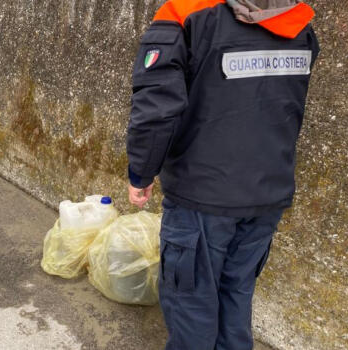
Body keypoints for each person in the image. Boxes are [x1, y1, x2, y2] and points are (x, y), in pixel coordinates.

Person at [126, 0, 319, 349]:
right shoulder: (299, 20)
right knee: (236, 295)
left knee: (191, 305)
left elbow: (155, 110)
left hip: (202, 197)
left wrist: (141, 174)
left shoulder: (184, 13)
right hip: (267, 192)